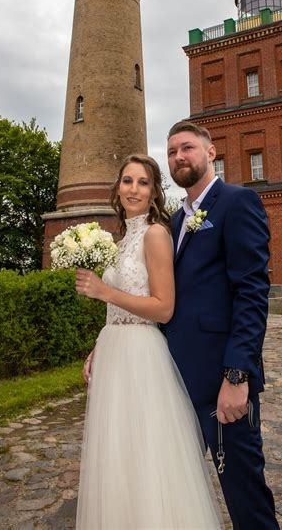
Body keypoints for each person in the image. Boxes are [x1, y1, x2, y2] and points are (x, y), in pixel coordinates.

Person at [74, 154, 222, 530]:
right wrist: (99, 345)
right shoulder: (120, 239)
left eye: (142, 182)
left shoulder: (156, 234)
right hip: (114, 352)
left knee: (145, 454)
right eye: (127, 181)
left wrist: (104, 292)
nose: (134, 189)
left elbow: (163, 307)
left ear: (155, 191)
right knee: (117, 454)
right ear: (118, 188)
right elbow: (122, 306)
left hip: (142, 356)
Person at [165, 121, 279, 530]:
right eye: (173, 151)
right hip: (176, 381)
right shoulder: (175, 222)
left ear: (210, 153)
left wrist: (237, 375)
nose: (180, 157)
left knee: (243, 490)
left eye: (188, 148)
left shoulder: (237, 202)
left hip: (222, 382)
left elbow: (251, 292)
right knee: (179, 487)